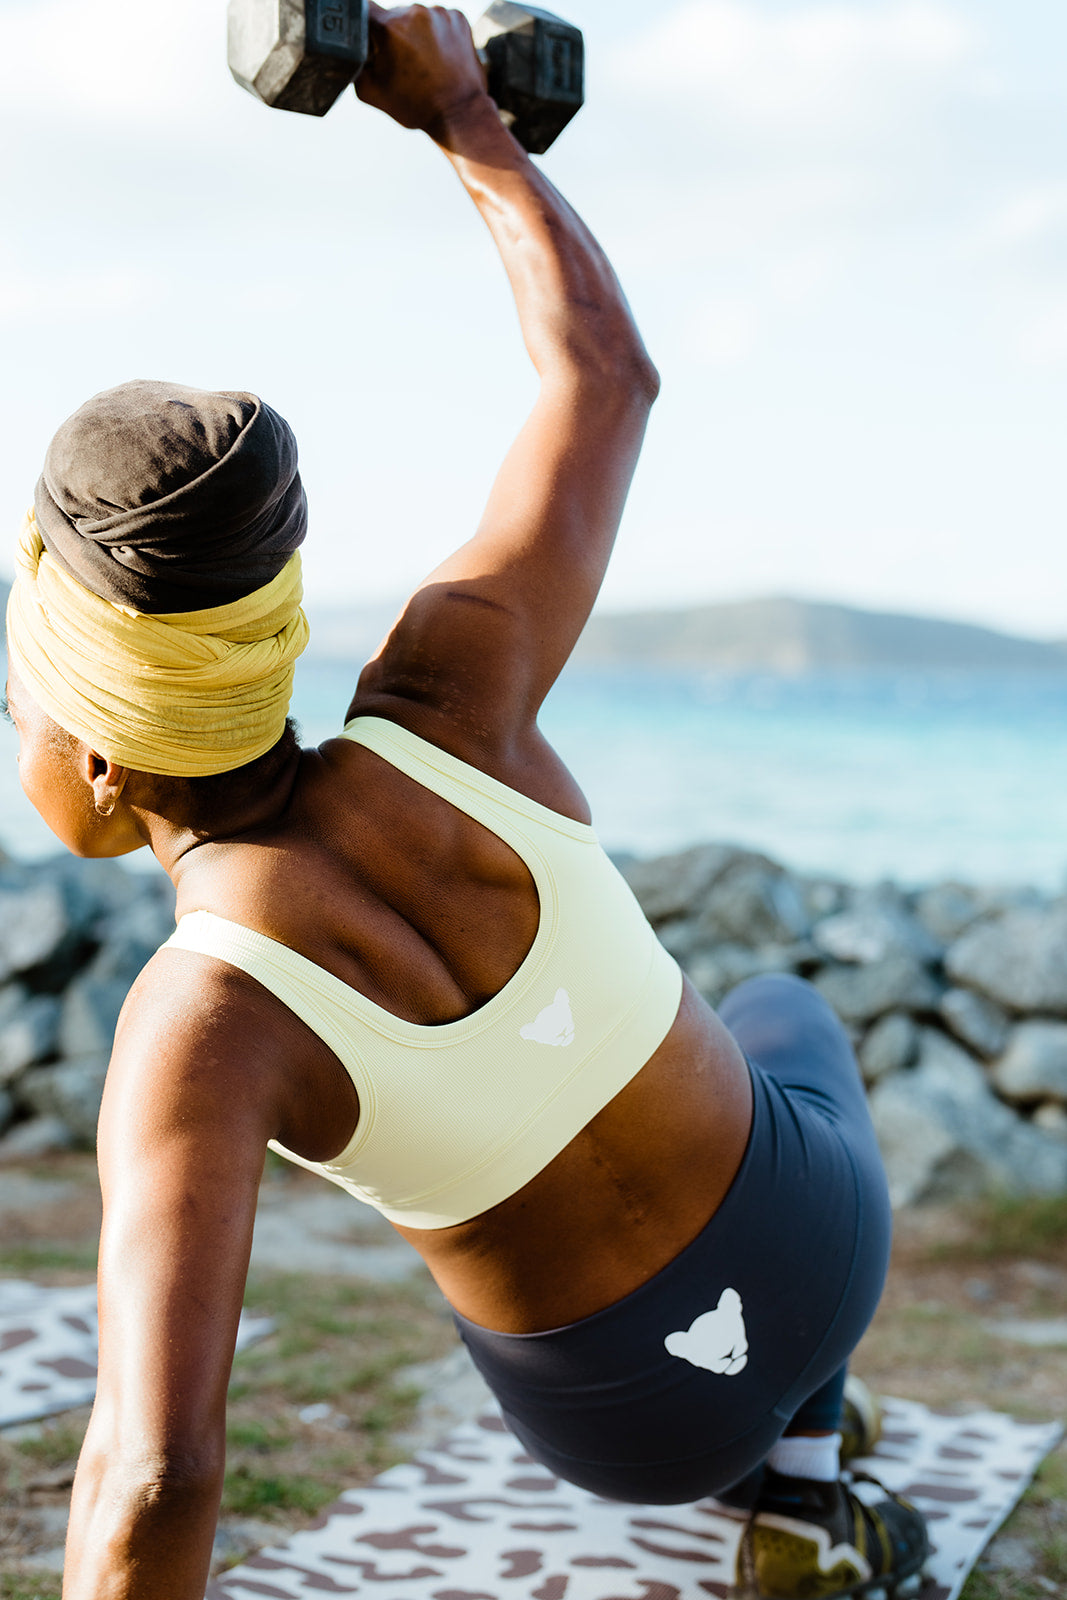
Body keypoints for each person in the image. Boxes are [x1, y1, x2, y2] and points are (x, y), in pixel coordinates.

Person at [3, 8, 929, 1598]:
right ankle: (804, 1468)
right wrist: (461, 119)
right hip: (829, 1257)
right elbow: (606, 378)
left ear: (99, 752)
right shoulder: (457, 695)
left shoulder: (203, 1026)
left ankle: (772, 1460)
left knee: (533, 1235)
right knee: (781, 1011)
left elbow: (154, 1468)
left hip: (639, 1427)